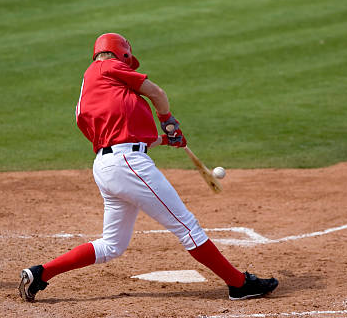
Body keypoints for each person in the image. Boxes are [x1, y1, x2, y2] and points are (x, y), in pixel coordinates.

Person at [18, 33, 278, 302]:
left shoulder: (90, 94)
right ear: (123, 55)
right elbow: (157, 93)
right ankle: (238, 284)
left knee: (111, 245)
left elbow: (124, 137)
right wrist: (167, 120)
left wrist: (167, 139)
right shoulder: (108, 66)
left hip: (107, 167)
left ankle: (40, 273)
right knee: (187, 228)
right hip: (127, 165)